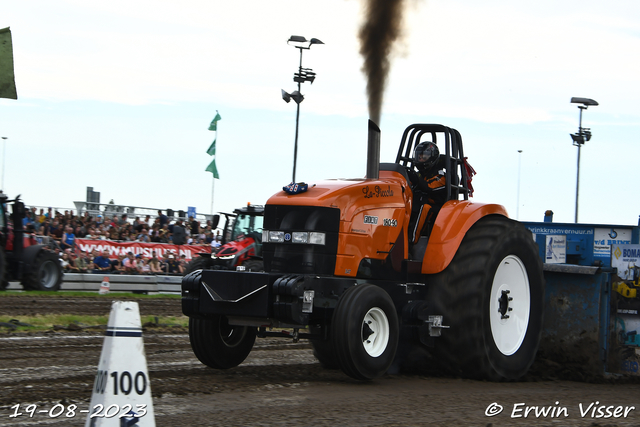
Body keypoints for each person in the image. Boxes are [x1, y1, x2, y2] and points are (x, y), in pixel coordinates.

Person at [406, 141, 447, 241]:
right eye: (418, 156)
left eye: (424, 156)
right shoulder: (418, 174)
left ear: (432, 157)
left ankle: (410, 241)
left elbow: (429, 187)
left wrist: (415, 178)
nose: (420, 159)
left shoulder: (441, 176)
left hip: (437, 207)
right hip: (418, 201)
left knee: (425, 207)